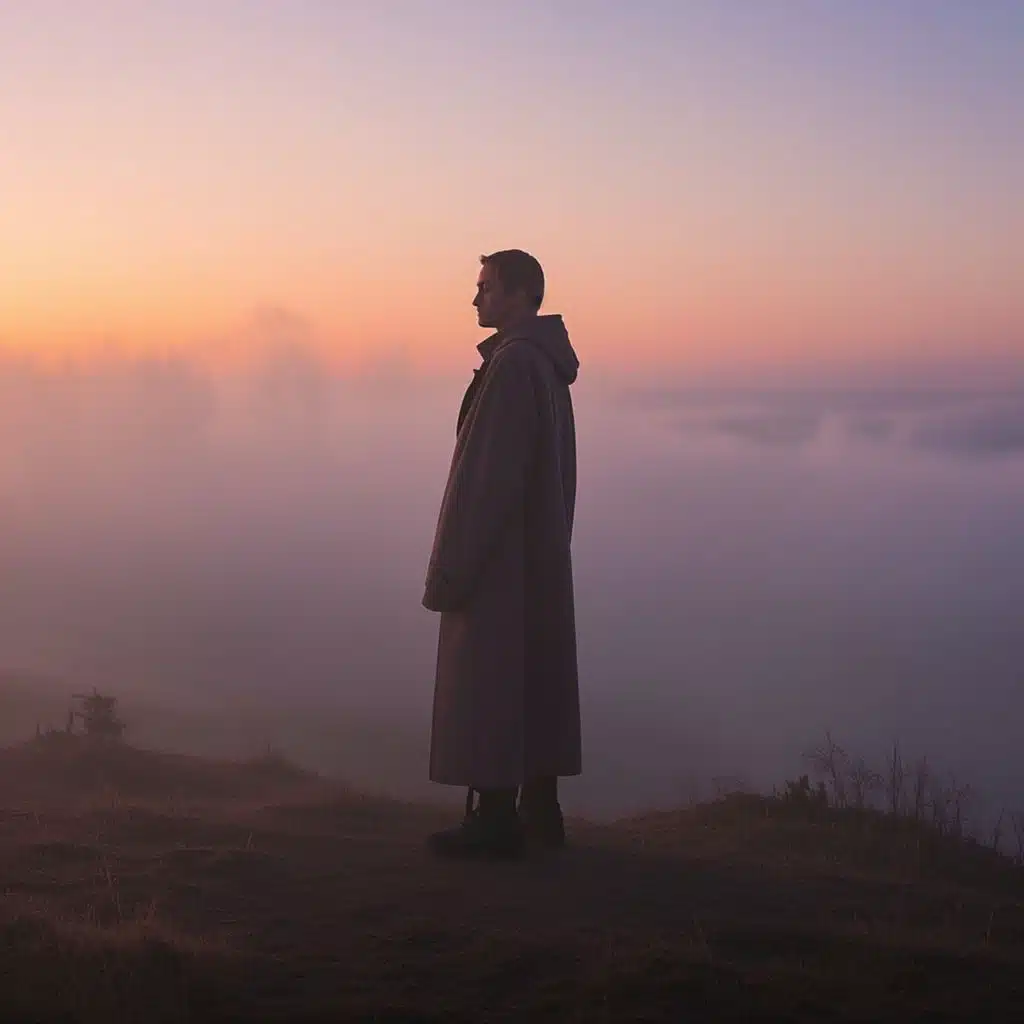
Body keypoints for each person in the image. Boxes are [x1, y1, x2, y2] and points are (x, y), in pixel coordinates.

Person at [421, 249, 582, 859]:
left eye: (485, 287)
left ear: (519, 295)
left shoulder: (514, 365)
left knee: (490, 681)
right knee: (530, 678)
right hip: (533, 551)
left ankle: (494, 822)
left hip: (501, 560)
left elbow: (486, 478)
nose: (475, 298)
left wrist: (453, 566)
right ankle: (538, 812)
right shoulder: (540, 363)